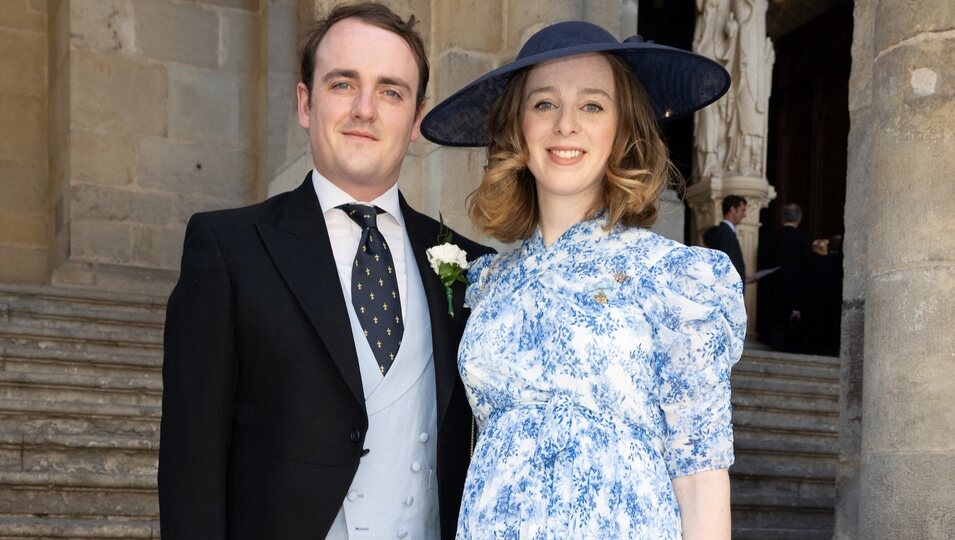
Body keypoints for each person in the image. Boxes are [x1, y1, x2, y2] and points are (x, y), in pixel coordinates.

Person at [158, 4, 490, 539]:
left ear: (416, 121)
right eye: (343, 84)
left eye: (390, 91)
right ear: (305, 103)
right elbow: (190, 459)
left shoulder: (469, 264)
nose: (365, 109)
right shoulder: (228, 248)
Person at [421, 21, 745, 539]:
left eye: (592, 105)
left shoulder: (673, 279)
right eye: (544, 103)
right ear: (517, 128)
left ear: (622, 130)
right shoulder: (487, 285)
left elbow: (701, 477)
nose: (565, 124)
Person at [761, 203, 813, 352]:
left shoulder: (771, 238)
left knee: (775, 335)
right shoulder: (804, 239)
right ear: (799, 218)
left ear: (782, 218)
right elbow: (808, 269)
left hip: (772, 295)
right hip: (796, 294)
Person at [704, 194, 749, 282]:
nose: (744, 215)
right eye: (742, 210)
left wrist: (743, 277)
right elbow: (725, 266)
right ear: (732, 209)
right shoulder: (725, 233)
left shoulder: (725, 232)